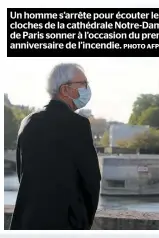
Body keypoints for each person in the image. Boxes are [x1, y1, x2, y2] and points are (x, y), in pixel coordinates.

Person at [10, 63, 101, 230]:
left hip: (26, 222)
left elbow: (22, 174)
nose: (87, 89)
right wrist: (83, 222)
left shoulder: (27, 122)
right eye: (83, 84)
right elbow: (91, 181)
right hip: (65, 223)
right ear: (65, 90)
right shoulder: (78, 125)